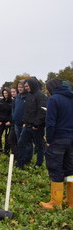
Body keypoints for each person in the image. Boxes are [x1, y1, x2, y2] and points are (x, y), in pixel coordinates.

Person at [40, 79, 73, 210]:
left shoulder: (54, 99)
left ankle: (56, 202)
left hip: (58, 139)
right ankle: (71, 201)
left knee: (55, 167)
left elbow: (51, 122)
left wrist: (49, 139)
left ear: (51, 88)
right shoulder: (71, 97)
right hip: (71, 138)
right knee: (71, 170)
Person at [17, 78, 47, 169]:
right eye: (25, 86)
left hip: (37, 127)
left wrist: (36, 124)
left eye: (27, 86)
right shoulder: (29, 95)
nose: (26, 88)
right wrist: (24, 122)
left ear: (32, 85)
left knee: (39, 146)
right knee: (21, 143)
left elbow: (42, 112)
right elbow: (27, 111)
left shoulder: (41, 96)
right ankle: (21, 163)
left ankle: (39, 164)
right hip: (27, 125)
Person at [0, 88, 12, 153]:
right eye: (4, 93)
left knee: (7, 138)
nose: (5, 95)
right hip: (1, 122)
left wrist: (10, 121)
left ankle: (6, 151)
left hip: (8, 123)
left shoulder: (12, 102)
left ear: (9, 93)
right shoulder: (0, 102)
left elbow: (13, 113)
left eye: (6, 93)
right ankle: (0, 150)